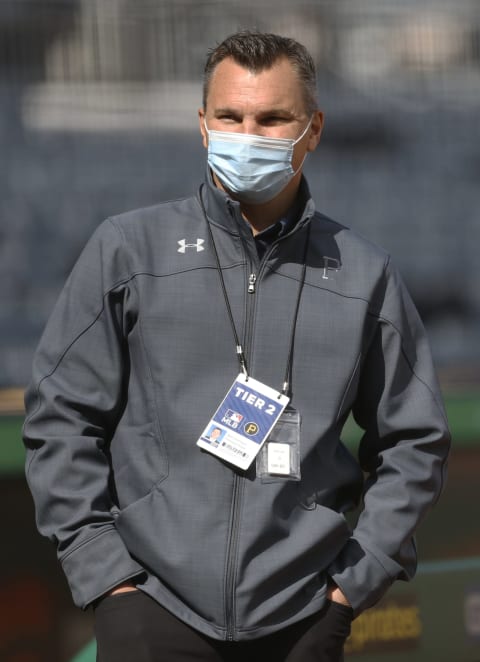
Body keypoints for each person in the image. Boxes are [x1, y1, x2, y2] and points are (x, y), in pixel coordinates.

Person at [23, 31, 450, 662]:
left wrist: (349, 589)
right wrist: (108, 581)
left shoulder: (365, 275)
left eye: (273, 117)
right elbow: (61, 419)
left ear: (314, 129)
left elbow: (414, 442)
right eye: (231, 116)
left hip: (302, 620)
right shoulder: (127, 251)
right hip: (149, 610)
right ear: (202, 125)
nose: (248, 134)